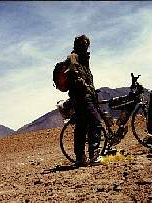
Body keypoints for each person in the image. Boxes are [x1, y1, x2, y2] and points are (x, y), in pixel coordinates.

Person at [64, 35, 103, 166]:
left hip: (83, 97)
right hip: (82, 97)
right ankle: (94, 154)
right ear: (77, 44)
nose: (85, 46)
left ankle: (80, 158)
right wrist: (86, 87)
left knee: (81, 127)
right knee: (96, 121)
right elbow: (75, 75)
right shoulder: (73, 58)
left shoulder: (84, 59)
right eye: (83, 43)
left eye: (87, 44)